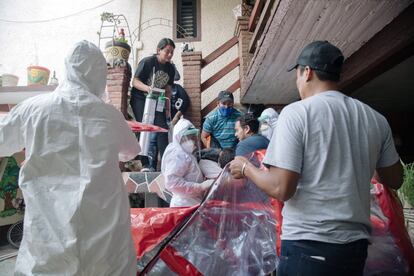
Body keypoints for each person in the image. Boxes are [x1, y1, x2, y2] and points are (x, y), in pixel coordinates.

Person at [229, 41, 403, 276]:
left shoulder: (296, 113)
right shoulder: (375, 118)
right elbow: (394, 178)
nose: (297, 82)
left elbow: (281, 187)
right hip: (356, 249)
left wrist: (246, 168)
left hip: (308, 247)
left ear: (307, 72)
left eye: (297, 75)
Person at [0, 41, 140, 275]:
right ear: (99, 75)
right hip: (104, 235)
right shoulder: (109, 116)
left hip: (48, 233)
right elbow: (130, 151)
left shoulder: (33, 109)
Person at [130, 38, 176, 171]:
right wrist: (147, 88)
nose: (169, 54)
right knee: (144, 126)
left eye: (172, 52)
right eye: (167, 51)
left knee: (162, 128)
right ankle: (144, 163)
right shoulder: (148, 62)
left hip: (157, 99)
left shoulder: (170, 68)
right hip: (140, 97)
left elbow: (168, 89)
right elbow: (135, 81)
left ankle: (166, 164)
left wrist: (167, 108)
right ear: (159, 50)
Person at [161, 118, 213, 207]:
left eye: (193, 137)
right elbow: (172, 183)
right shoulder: (177, 155)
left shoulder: (186, 153)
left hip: (191, 202)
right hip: (183, 204)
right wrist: (200, 187)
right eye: (189, 137)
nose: (193, 140)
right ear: (179, 138)